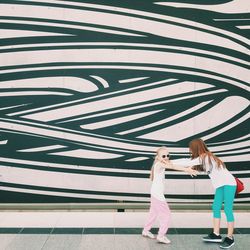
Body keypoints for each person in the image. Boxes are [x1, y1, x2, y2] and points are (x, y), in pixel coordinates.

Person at [174, 138, 237, 249]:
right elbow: (189, 161)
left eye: (190, 148)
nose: (189, 150)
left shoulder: (206, 156)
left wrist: (168, 162)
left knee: (227, 209)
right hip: (220, 185)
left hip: (229, 184)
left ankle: (230, 237)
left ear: (195, 147)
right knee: (216, 207)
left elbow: (188, 162)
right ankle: (216, 234)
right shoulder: (204, 158)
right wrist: (170, 162)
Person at [142, 146, 197, 244]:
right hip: (158, 195)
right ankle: (161, 235)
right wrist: (187, 170)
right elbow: (173, 166)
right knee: (166, 215)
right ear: (158, 157)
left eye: (168, 155)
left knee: (153, 213)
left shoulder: (161, 163)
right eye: (163, 156)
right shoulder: (159, 164)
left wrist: (187, 166)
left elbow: (173, 163)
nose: (166, 157)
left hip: (154, 193)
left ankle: (146, 231)